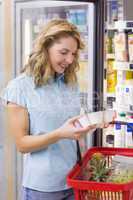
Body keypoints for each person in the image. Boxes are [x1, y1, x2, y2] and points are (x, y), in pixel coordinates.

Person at [1, 19, 96, 200]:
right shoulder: (19, 87)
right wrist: (59, 133)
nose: (70, 60)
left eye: (73, 54)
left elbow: (74, 132)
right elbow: (22, 144)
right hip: (44, 188)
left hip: (75, 179)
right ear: (45, 48)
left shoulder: (69, 83)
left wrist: (89, 124)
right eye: (63, 52)